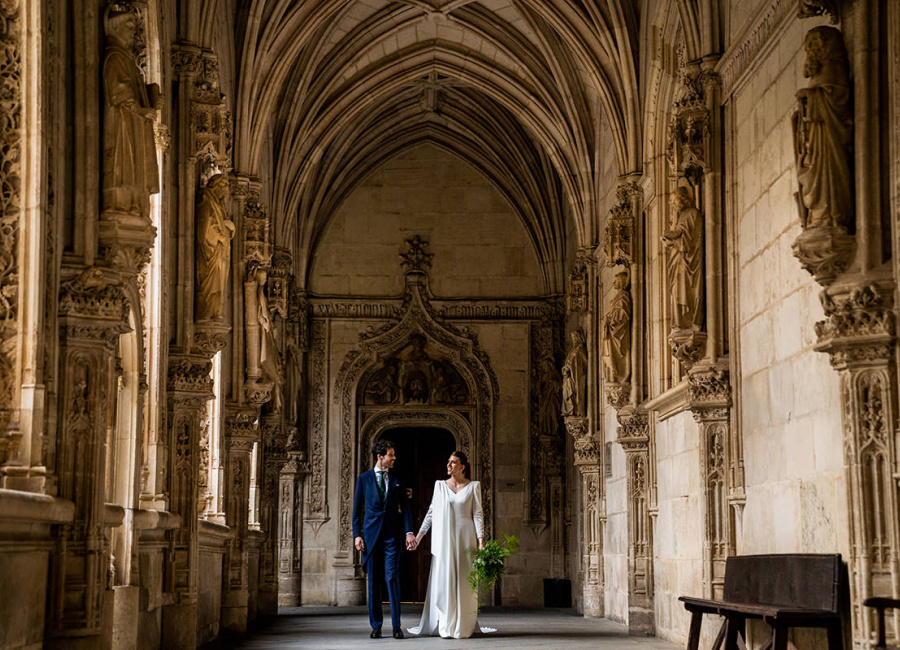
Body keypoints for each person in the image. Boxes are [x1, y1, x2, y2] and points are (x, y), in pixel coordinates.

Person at [408, 451, 495, 639]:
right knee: (445, 579)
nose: (449, 465)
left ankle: (464, 625)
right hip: (445, 539)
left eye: (453, 462)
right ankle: (446, 625)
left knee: (465, 581)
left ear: (462, 466)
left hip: (466, 538)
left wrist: (481, 541)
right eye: (448, 462)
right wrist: (419, 537)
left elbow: (478, 514)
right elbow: (431, 513)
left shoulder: (474, 486)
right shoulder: (439, 486)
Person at [352, 440, 417, 639]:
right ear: (380, 457)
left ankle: (397, 626)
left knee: (392, 578)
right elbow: (356, 511)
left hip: (391, 537)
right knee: (373, 583)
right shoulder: (363, 479)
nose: (394, 458)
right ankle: (376, 626)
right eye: (391, 455)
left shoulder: (398, 479)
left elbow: (405, 508)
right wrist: (357, 535)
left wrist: (409, 532)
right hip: (371, 539)